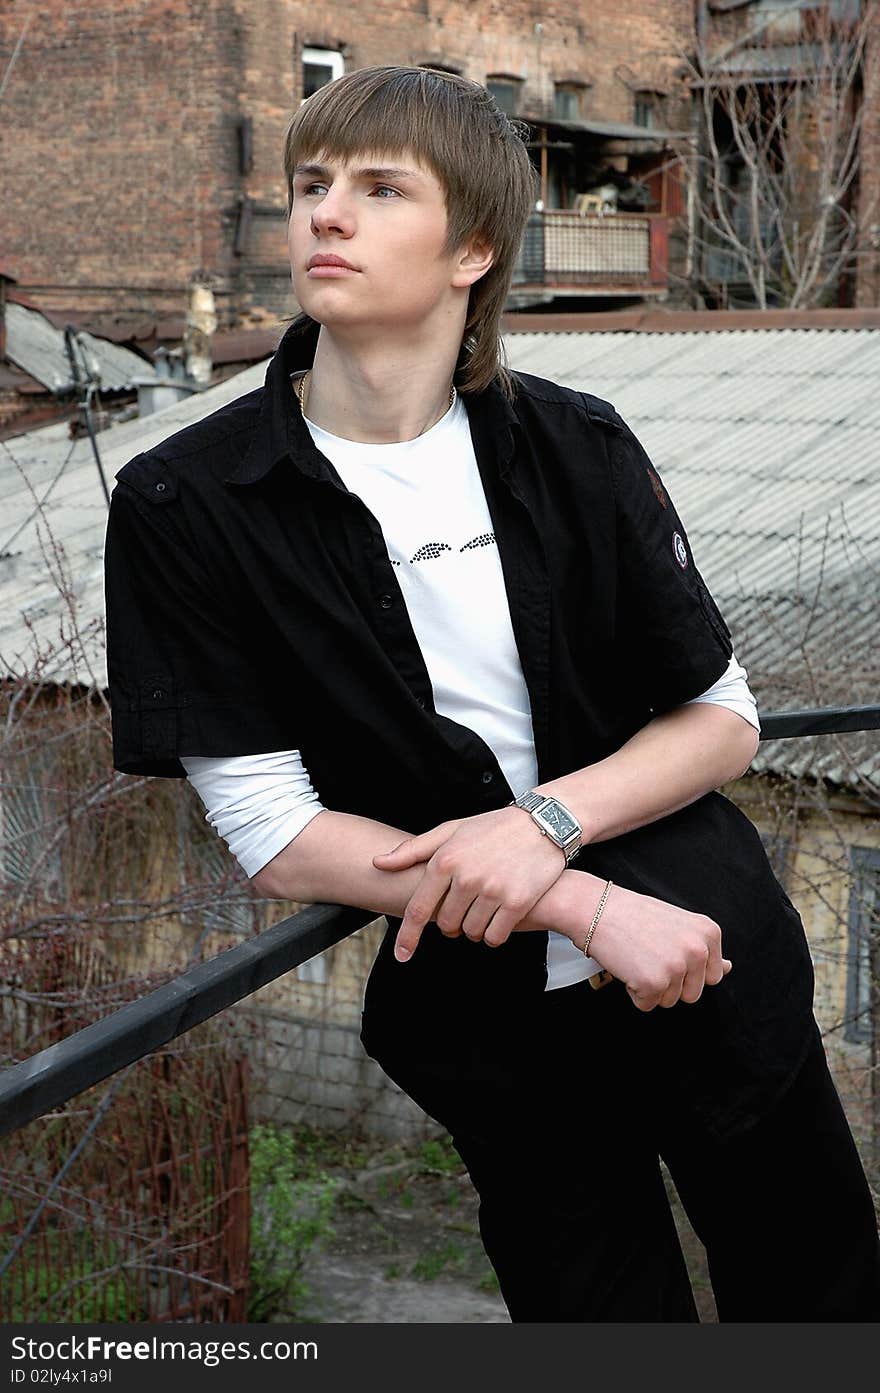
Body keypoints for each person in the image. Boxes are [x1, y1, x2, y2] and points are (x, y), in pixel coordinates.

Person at [104, 65, 880, 1322]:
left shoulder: (576, 443)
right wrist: (576, 901)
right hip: (500, 1029)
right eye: (310, 187)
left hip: (706, 954)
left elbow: (719, 713)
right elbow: (277, 834)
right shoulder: (187, 504)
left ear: (471, 247)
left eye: (376, 188)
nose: (324, 217)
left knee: (820, 1291)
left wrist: (544, 826)